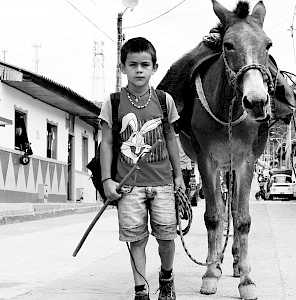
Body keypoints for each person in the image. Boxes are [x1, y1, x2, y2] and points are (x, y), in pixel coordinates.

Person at [99, 37, 184, 300]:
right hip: (128, 186)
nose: (139, 70)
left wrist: (179, 175)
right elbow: (107, 143)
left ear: (154, 67)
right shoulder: (113, 103)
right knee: (136, 239)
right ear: (122, 67)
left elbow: (171, 138)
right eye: (132, 64)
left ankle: (166, 277)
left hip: (162, 183)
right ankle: (141, 289)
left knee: (167, 237)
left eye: (144, 64)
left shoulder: (163, 100)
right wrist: (106, 181)